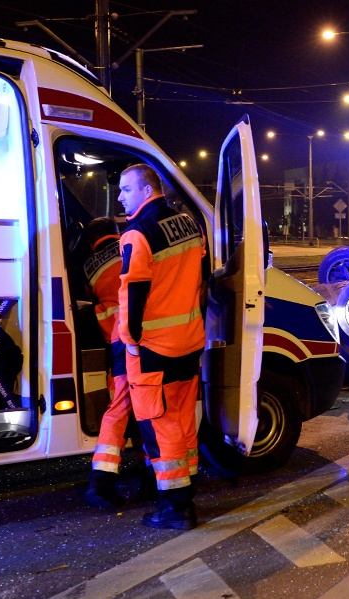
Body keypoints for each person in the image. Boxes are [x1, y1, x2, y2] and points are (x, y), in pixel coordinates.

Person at [117, 163, 206, 530]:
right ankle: (188, 489)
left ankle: (175, 507)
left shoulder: (137, 235)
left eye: (125, 189)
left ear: (145, 189)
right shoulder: (188, 225)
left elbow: (132, 293)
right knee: (184, 420)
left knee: (160, 426)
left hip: (154, 348)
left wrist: (131, 341)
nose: (120, 196)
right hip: (190, 341)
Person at [82, 217, 153, 509]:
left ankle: (113, 477)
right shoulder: (130, 246)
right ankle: (104, 481)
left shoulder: (87, 268)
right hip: (141, 336)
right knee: (146, 405)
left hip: (116, 340)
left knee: (125, 404)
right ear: (116, 233)